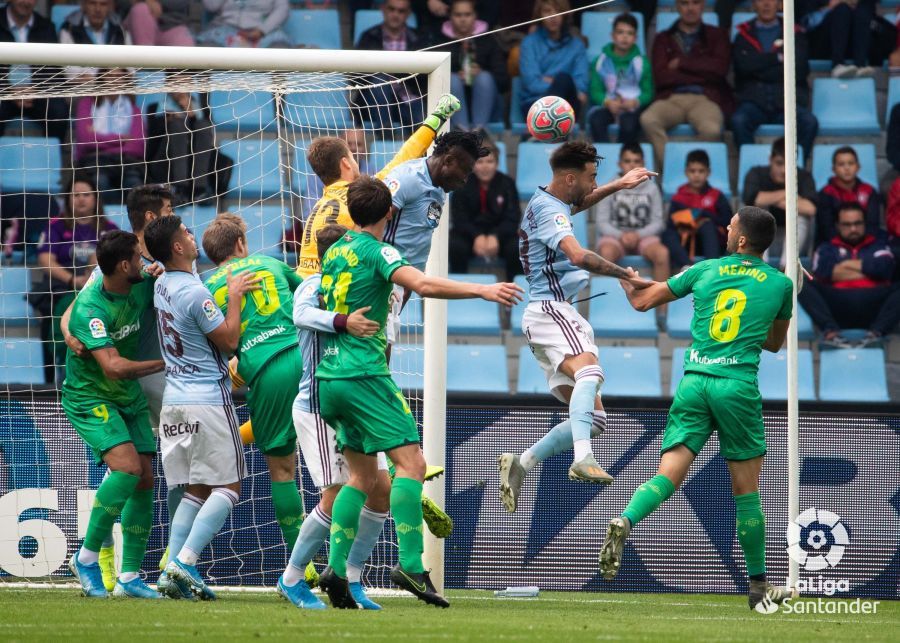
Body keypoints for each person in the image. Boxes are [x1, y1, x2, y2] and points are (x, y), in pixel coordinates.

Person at [315, 176, 522, 609]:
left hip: (329, 376)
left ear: (351, 213)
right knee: (411, 464)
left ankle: (335, 569)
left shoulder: (334, 251)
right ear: (391, 213)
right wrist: (482, 288)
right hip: (364, 374)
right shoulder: (382, 251)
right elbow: (423, 285)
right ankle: (410, 563)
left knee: (361, 477)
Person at [599, 206, 795, 612]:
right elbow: (774, 344)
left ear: (741, 240)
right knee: (746, 492)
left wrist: (627, 279)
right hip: (736, 386)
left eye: (732, 225)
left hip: (694, 381)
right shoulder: (780, 284)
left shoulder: (704, 270)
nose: (726, 227)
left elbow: (641, 303)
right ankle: (759, 586)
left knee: (669, 471)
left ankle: (627, 520)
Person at [497, 141, 656, 514]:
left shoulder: (547, 202)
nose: (592, 183)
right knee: (591, 370)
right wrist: (625, 274)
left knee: (595, 418)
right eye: (590, 176)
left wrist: (618, 184)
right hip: (551, 309)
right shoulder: (551, 212)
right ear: (570, 177)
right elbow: (579, 255)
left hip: (545, 314)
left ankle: (522, 464)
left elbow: (578, 204)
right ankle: (583, 458)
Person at [60, 183, 177, 592]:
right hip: (92, 395)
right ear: (122, 266)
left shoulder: (143, 278)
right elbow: (111, 367)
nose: (142, 264)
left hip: (128, 395)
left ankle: (129, 575)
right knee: (127, 469)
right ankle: (88, 556)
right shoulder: (93, 305)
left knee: (145, 479)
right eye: (136, 261)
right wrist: (168, 362)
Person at [144, 214, 259, 601]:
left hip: (174, 402)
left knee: (195, 487)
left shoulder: (161, 283)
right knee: (229, 485)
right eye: (187, 233)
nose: (193, 237)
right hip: (206, 400)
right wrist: (235, 294)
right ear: (177, 246)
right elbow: (227, 341)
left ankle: (169, 569)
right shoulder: (195, 293)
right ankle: (185, 562)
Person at [279, 223, 389, 611]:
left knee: (381, 488)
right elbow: (301, 315)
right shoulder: (313, 286)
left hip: (356, 402)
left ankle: (350, 578)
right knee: (337, 493)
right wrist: (345, 322)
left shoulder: (358, 287)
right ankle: (292, 578)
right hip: (318, 407)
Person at [200, 212, 307, 555]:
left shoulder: (206, 289)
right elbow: (307, 293)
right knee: (348, 445)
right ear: (241, 244)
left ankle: (300, 564)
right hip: (309, 356)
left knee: (283, 470)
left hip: (267, 370)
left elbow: (220, 344)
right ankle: (396, 471)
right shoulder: (269, 263)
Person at [34, 174, 118, 382]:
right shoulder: (56, 226)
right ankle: (53, 375)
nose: (81, 199)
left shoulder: (109, 229)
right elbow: (45, 259)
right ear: (68, 199)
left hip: (99, 291)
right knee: (49, 319)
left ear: (96, 198)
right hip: (61, 289)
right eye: (76, 194)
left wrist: (90, 277)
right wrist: (74, 281)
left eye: (86, 194)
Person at [640, 0, 733, 166]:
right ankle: (673, 167)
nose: (690, 8)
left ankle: (695, 170)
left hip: (705, 98)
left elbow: (719, 71)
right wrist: (703, 69)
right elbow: (661, 77)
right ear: (677, 6)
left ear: (703, 5)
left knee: (711, 129)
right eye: (684, 3)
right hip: (672, 97)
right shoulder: (663, 38)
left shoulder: (717, 35)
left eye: (695, 3)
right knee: (649, 119)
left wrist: (681, 63)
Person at [799, 203, 900, 349]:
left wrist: (842, 266)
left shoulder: (880, 245)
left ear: (865, 223)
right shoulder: (826, 248)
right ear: (838, 225)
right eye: (847, 224)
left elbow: (885, 269)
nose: (853, 229)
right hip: (836, 302)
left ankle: (875, 335)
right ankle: (831, 333)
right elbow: (824, 271)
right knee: (800, 281)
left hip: (875, 303)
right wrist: (867, 269)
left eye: (857, 223)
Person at [731, 0, 818, 161]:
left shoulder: (795, 33)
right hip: (754, 102)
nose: (766, 4)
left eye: (772, 0)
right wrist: (778, 58)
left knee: (809, 122)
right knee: (738, 121)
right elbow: (743, 67)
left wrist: (758, 67)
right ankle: (752, 169)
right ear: (754, 5)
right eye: (761, 0)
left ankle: (795, 170)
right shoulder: (743, 34)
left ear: (780, 5)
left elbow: (799, 69)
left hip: (786, 103)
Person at [593, 143, 669, 284]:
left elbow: (658, 222)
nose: (632, 165)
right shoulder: (610, 186)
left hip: (645, 238)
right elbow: (602, 222)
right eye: (627, 161)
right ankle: (608, 300)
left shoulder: (652, 188)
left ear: (643, 163)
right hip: (615, 237)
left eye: (636, 161)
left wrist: (638, 235)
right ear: (620, 164)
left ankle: (661, 305)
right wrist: (621, 235)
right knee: (606, 253)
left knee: (662, 254)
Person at [448, 139, 522, 279]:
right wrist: (476, 236)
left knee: (517, 247)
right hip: (469, 236)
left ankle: (512, 291)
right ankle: (459, 290)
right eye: (480, 162)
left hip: (501, 236)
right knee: (456, 246)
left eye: (489, 162)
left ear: (497, 163)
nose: (485, 167)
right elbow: (459, 219)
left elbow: (513, 217)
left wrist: (496, 236)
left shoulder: (507, 183)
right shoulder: (462, 183)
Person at [72, 68, 146, 204]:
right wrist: (121, 139)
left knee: (135, 186)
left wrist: (99, 137)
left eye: (119, 75)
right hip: (95, 161)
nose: (114, 79)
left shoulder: (134, 109)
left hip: (127, 163)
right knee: (100, 183)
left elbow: (138, 147)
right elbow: (85, 141)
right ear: (101, 77)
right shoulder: (86, 104)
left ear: (126, 79)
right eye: (110, 75)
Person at [0, 0, 69, 142]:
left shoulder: (46, 27)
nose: (26, 2)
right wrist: (10, 90)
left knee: (59, 110)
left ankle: (52, 160)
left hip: (36, 93)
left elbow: (54, 73)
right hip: (3, 92)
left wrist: (34, 89)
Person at [434, 0, 508, 131]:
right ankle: (461, 131)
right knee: (452, 80)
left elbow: (504, 82)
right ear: (450, 16)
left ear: (475, 16)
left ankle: (478, 132)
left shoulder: (488, 40)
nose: (463, 19)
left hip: (488, 105)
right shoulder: (439, 41)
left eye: (467, 14)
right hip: (448, 107)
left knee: (485, 77)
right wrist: (455, 73)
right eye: (458, 15)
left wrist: (480, 73)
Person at [354, 0, 428, 129]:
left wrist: (393, 70)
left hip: (408, 96)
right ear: (383, 9)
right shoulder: (368, 36)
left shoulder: (420, 38)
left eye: (401, 11)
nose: (395, 14)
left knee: (423, 128)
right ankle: (384, 134)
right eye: (391, 9)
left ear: (408, 13)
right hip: (375, 100)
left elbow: (425, 75)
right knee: (379, 78)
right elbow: (356, 74)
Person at [741, 137, 817, 259]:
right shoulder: (756, 173)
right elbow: (752, 199)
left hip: (795, 240)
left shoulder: (804, 176)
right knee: (757, 211)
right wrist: (788, 194)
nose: (784, 170)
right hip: (761, 238)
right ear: (770, 159)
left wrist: (770, 198)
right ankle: (760, 267)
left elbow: (810, 209)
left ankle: (787, 269)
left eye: (789, 164)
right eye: (779, 163)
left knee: (801, 216)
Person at [145, 88, 224, 203]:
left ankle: (199, 189)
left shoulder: (202, 108)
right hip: (165, 165)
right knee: (178, 126)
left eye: (184, 79)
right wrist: (166, 122)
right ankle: (179, 188)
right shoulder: (154, 108)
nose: (180, 86)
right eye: (175, 81)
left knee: (203, 126)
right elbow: (152, 145)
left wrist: (192, 115)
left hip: (195, 166)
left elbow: (206, 139)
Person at [587, 12, 653, 145]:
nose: (624, 37)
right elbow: (595, 91)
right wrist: (607, 103)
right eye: (620, 32)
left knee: (629, 124)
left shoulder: (643, 63)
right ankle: (604, 159)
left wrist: (635, 102)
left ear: (635, 38)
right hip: (608, 105)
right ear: (613, 36)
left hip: (632, 108)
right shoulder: (600, 61)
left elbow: (648, 92)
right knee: (596, 120)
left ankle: (624, 160)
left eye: (629, 33)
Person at [518, 0, 589, 121]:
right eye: (547, 11)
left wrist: (557, 82)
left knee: (563, 79)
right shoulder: (529, 43)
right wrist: (560, 85)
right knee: (563, 80)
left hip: (568, 105)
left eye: (558, 11)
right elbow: (531, 84)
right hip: (535, 103)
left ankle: (536, 135)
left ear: (565, 14)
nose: (553, 16)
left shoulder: (577, 45)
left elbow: (581, 84)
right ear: (540, 14)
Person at [662, 149, 731, 269]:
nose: (696, 175)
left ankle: (712, 269)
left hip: (713, 243)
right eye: (692, 171)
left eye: (701, 171)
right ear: (686, 172)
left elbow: (728, 223)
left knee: (707, 225)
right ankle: (687, 266)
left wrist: (703, 215)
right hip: (686, 243)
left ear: (708, 172)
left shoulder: (716, 196)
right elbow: (671, 225)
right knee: (667, 234)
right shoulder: (678, 197)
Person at [815, 146, 882, 246]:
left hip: (866, 245)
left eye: (851, 163)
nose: (847, 168)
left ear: (858, 167)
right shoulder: (826, 193)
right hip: (833, 245)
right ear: (833, 169)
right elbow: (826, 228)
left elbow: (873, 225)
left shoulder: (869, 191)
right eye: (841, 164)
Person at [798, 0, 876, 78]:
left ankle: (860, 65)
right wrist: (831, 7)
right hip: (823, 44)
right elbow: (807, 23)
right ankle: (837, 65)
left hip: (851, 43)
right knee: (842, 10)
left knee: (862, 11)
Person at [59, 0, 132, 82]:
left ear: (110, 7)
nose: (98, 9)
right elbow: (69, 71)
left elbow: (131, 68)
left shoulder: (120, 30)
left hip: (115, 89)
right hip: (82, 90)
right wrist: (99, 79)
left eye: (103, 4)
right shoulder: (69, 29)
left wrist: (119, 74)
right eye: (92, 3)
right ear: (84, 5)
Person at [196, 0, 291, 48]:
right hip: (225, 29)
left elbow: (282, 9)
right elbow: (211, 6)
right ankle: (204, 87)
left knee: (280, 50)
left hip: (262, 31)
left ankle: (278, 87)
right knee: (205, 50)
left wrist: (262, 30)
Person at [124, 0, 194, 47]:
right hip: (141, 21)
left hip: (173, 25)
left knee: (185, 54)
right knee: (140, 10)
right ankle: (145, 64)